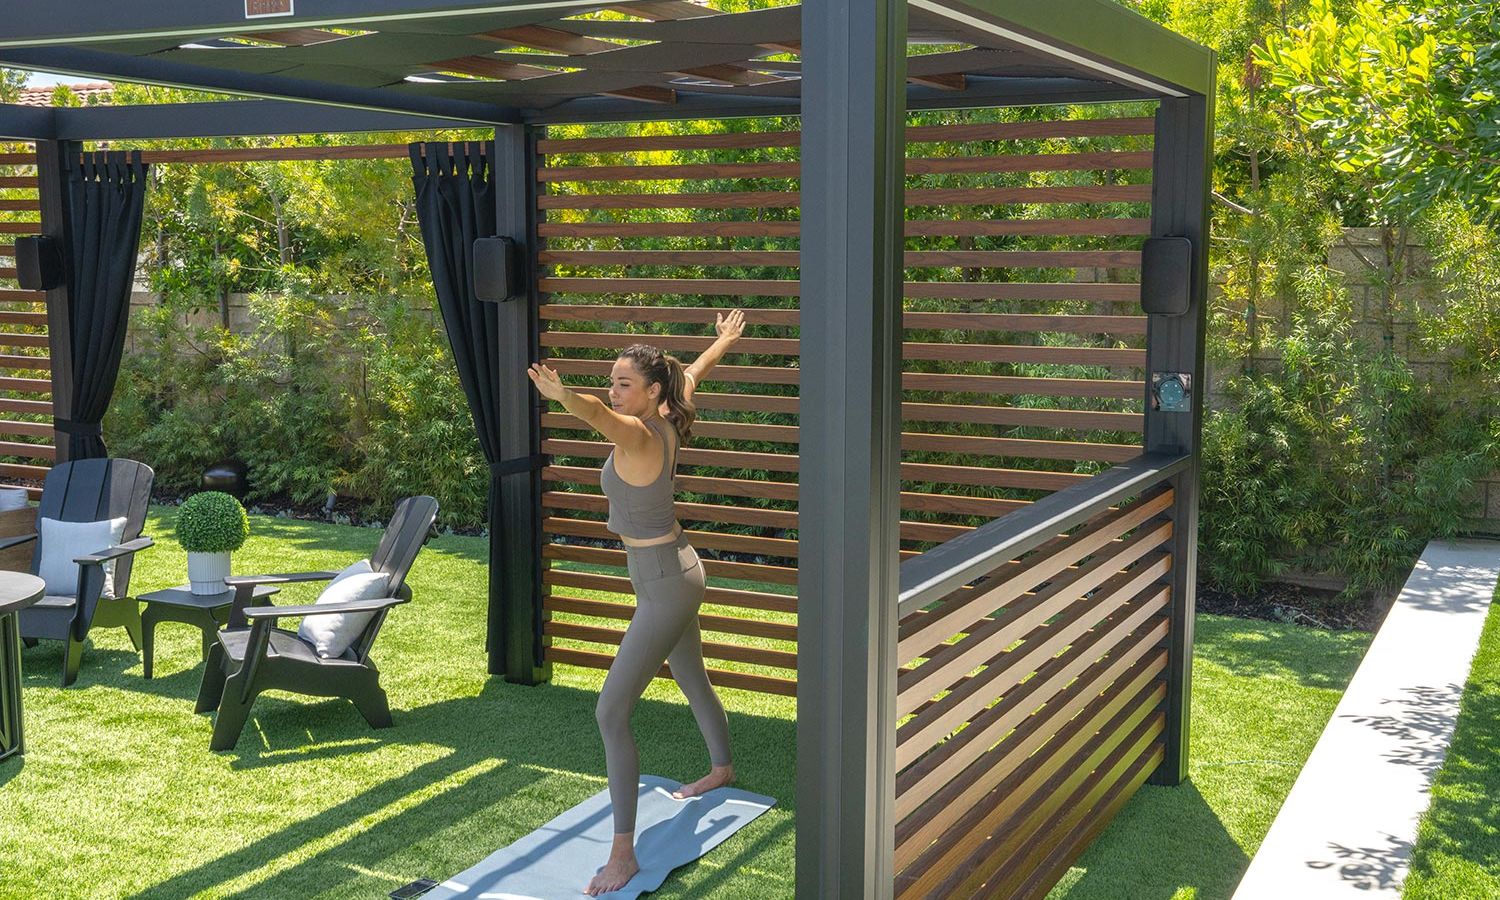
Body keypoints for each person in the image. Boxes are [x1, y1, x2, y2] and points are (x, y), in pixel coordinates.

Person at [525, 309, 747, 897]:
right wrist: (721, 341)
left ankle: (622, 854)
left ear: (650, 392)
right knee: (691, 675)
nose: (613, 389)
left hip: (666, 580)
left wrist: (560, 394)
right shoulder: (667, 409)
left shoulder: (640, 431)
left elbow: (595, 414)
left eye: (625, 382)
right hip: (671, 570)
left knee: (610, 711)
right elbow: (692, 373)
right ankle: (721, 768)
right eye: (612, 378)